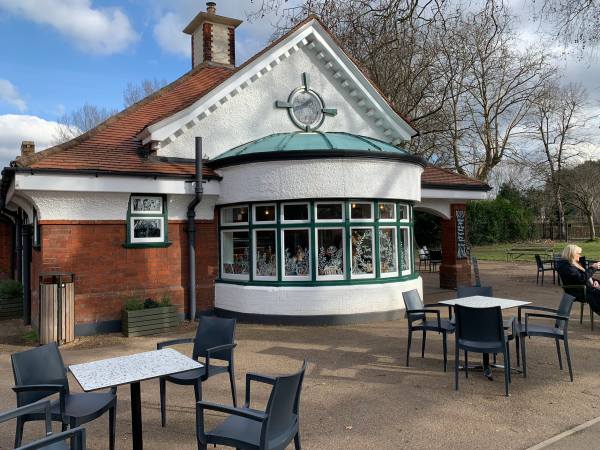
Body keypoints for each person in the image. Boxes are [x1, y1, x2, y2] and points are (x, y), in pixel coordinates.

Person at [556, 244, 600, 314]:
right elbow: (581, 278)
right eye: (578, 253)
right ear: (572, 254)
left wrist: (594, 282)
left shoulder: (573, 264)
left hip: (583, 288)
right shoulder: (566, 267)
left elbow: (584, 277)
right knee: (596, 295)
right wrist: (593, 268)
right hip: (577, 291)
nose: (580, 255)